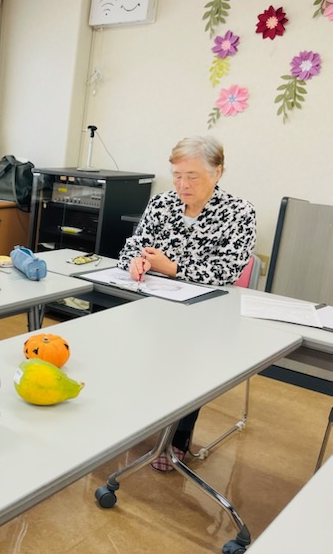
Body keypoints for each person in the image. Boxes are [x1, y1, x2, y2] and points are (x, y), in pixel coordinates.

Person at [117, 135, 256, 471]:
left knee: (188, 354)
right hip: (154, 305)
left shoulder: (239, 213)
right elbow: (131, 247)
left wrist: (172, 268)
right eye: (177, 175)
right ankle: (131, 417)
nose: (182, 185)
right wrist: (135, 261)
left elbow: (226, 270)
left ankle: (177, 437)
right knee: (121, 340)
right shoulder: (162, 204)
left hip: (207, 311)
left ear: (218, 172)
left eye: (192, 176)